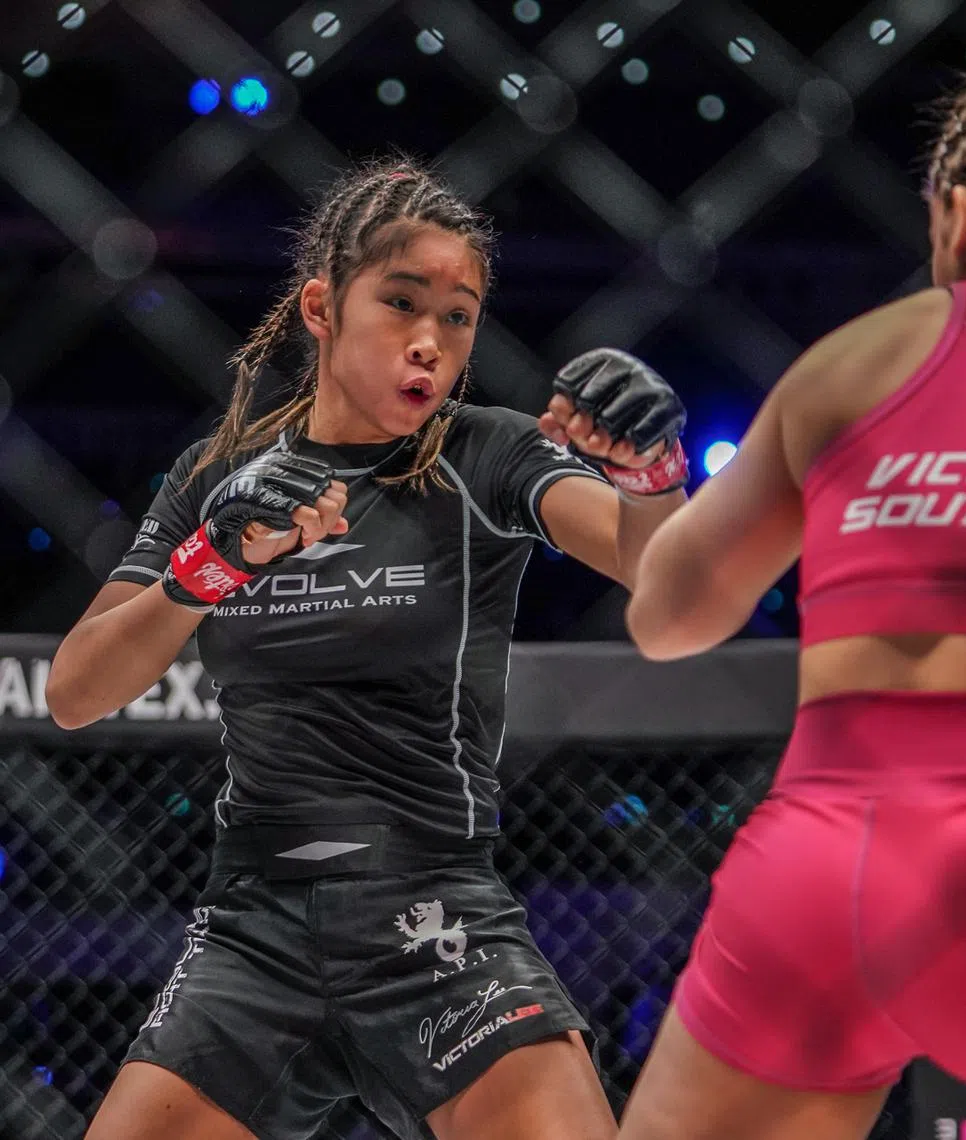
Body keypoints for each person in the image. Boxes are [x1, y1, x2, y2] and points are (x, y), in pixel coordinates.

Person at [45, 156, 689, 1140]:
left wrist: (651, 477)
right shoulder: (217, 476)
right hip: (253, 933)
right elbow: (75, 693)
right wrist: (206, 565)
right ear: (320, 305)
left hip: (435, 917)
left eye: (459, 316)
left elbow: (665, 578)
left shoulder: (488, 454)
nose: (430, 343)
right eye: (401, 303)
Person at [618, 62, 966, 1140]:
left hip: (806, 873)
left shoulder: (843, 366)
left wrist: (642, 486)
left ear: (956, 211)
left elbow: (668, 619)